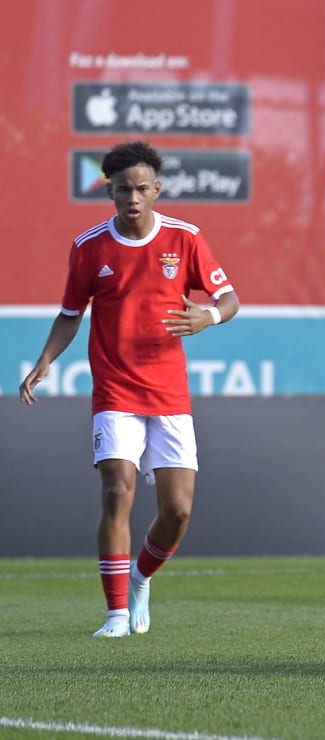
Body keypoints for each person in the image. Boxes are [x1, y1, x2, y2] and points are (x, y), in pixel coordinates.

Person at [19, 140, 240, 638]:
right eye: (123, 190)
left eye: (142, 189)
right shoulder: (90, 247)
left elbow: (229, 299)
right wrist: (45, 361)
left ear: (156, 190)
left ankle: (141, 578)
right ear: (110, 192)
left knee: (178, 511)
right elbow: (70, 315)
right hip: (115, 392)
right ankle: (116, 613)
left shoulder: (186, 239)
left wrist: (208, 315)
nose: (133, 198)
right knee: (117, 489)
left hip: (169, 396)